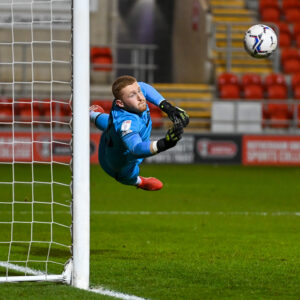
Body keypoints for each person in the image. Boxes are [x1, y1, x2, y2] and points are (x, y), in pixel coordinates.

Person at [90, 75, 189, 191]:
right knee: (129, 176)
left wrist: (167, 107)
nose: (141, 97)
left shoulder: (126, 100)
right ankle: (140, 182)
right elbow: (136, 148)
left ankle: (91, 114)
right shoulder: (128, 123)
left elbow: (144, 87)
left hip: (110, 136)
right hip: (117, 166)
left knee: (109, 125)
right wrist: (165, 143)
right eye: (132, 95)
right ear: (120, 103)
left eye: (139, 91)